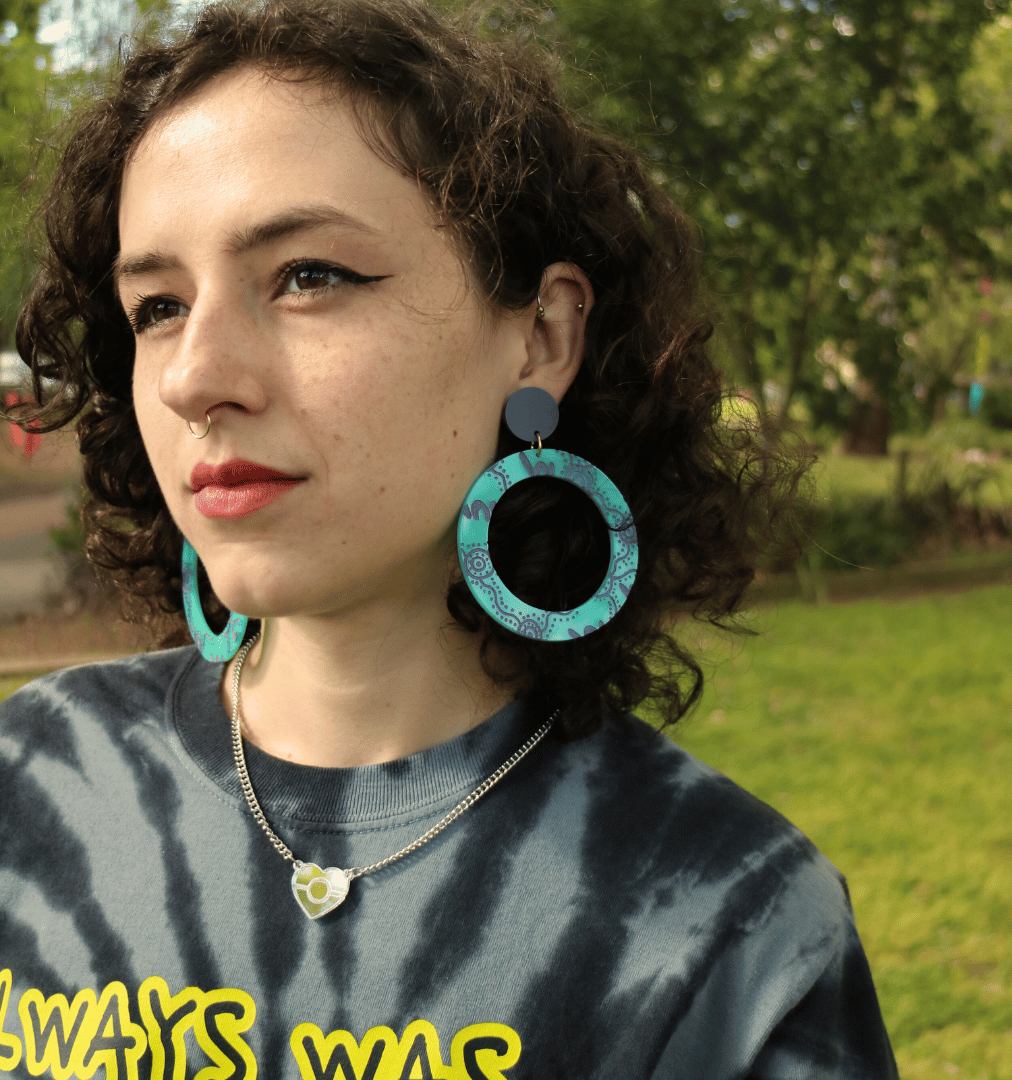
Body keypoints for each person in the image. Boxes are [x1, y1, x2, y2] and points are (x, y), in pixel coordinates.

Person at [0, 0, 900, 1076]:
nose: (196, 376)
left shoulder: (727, 924)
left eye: (309, 277)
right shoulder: (32, 781)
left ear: (542, 335)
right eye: (156, 306)